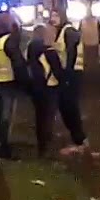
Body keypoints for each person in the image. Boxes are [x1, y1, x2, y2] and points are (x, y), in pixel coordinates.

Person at [0, 14, 29, 160]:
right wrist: (26, 84)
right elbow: (18, 63)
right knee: (5, 117)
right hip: (6, 83)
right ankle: (4, 149)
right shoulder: (7, 41)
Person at [27, 25, 67, 157]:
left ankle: (40, 144)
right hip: (50, 87)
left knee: (39, 116)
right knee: (49, 116)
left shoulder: (31, 51)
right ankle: (46, 145)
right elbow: (58, 71)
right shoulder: (50, 52)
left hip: (36, 88)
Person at [51, 12, 88, 153]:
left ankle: (80, 139)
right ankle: (78, 138)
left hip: (72, 75)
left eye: (55, 15)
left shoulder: (69, 31)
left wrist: (67, 75)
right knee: (65, 106)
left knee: (70, 107)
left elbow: (71, 53)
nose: (52, 19)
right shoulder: (61, 32)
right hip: (68, 74)